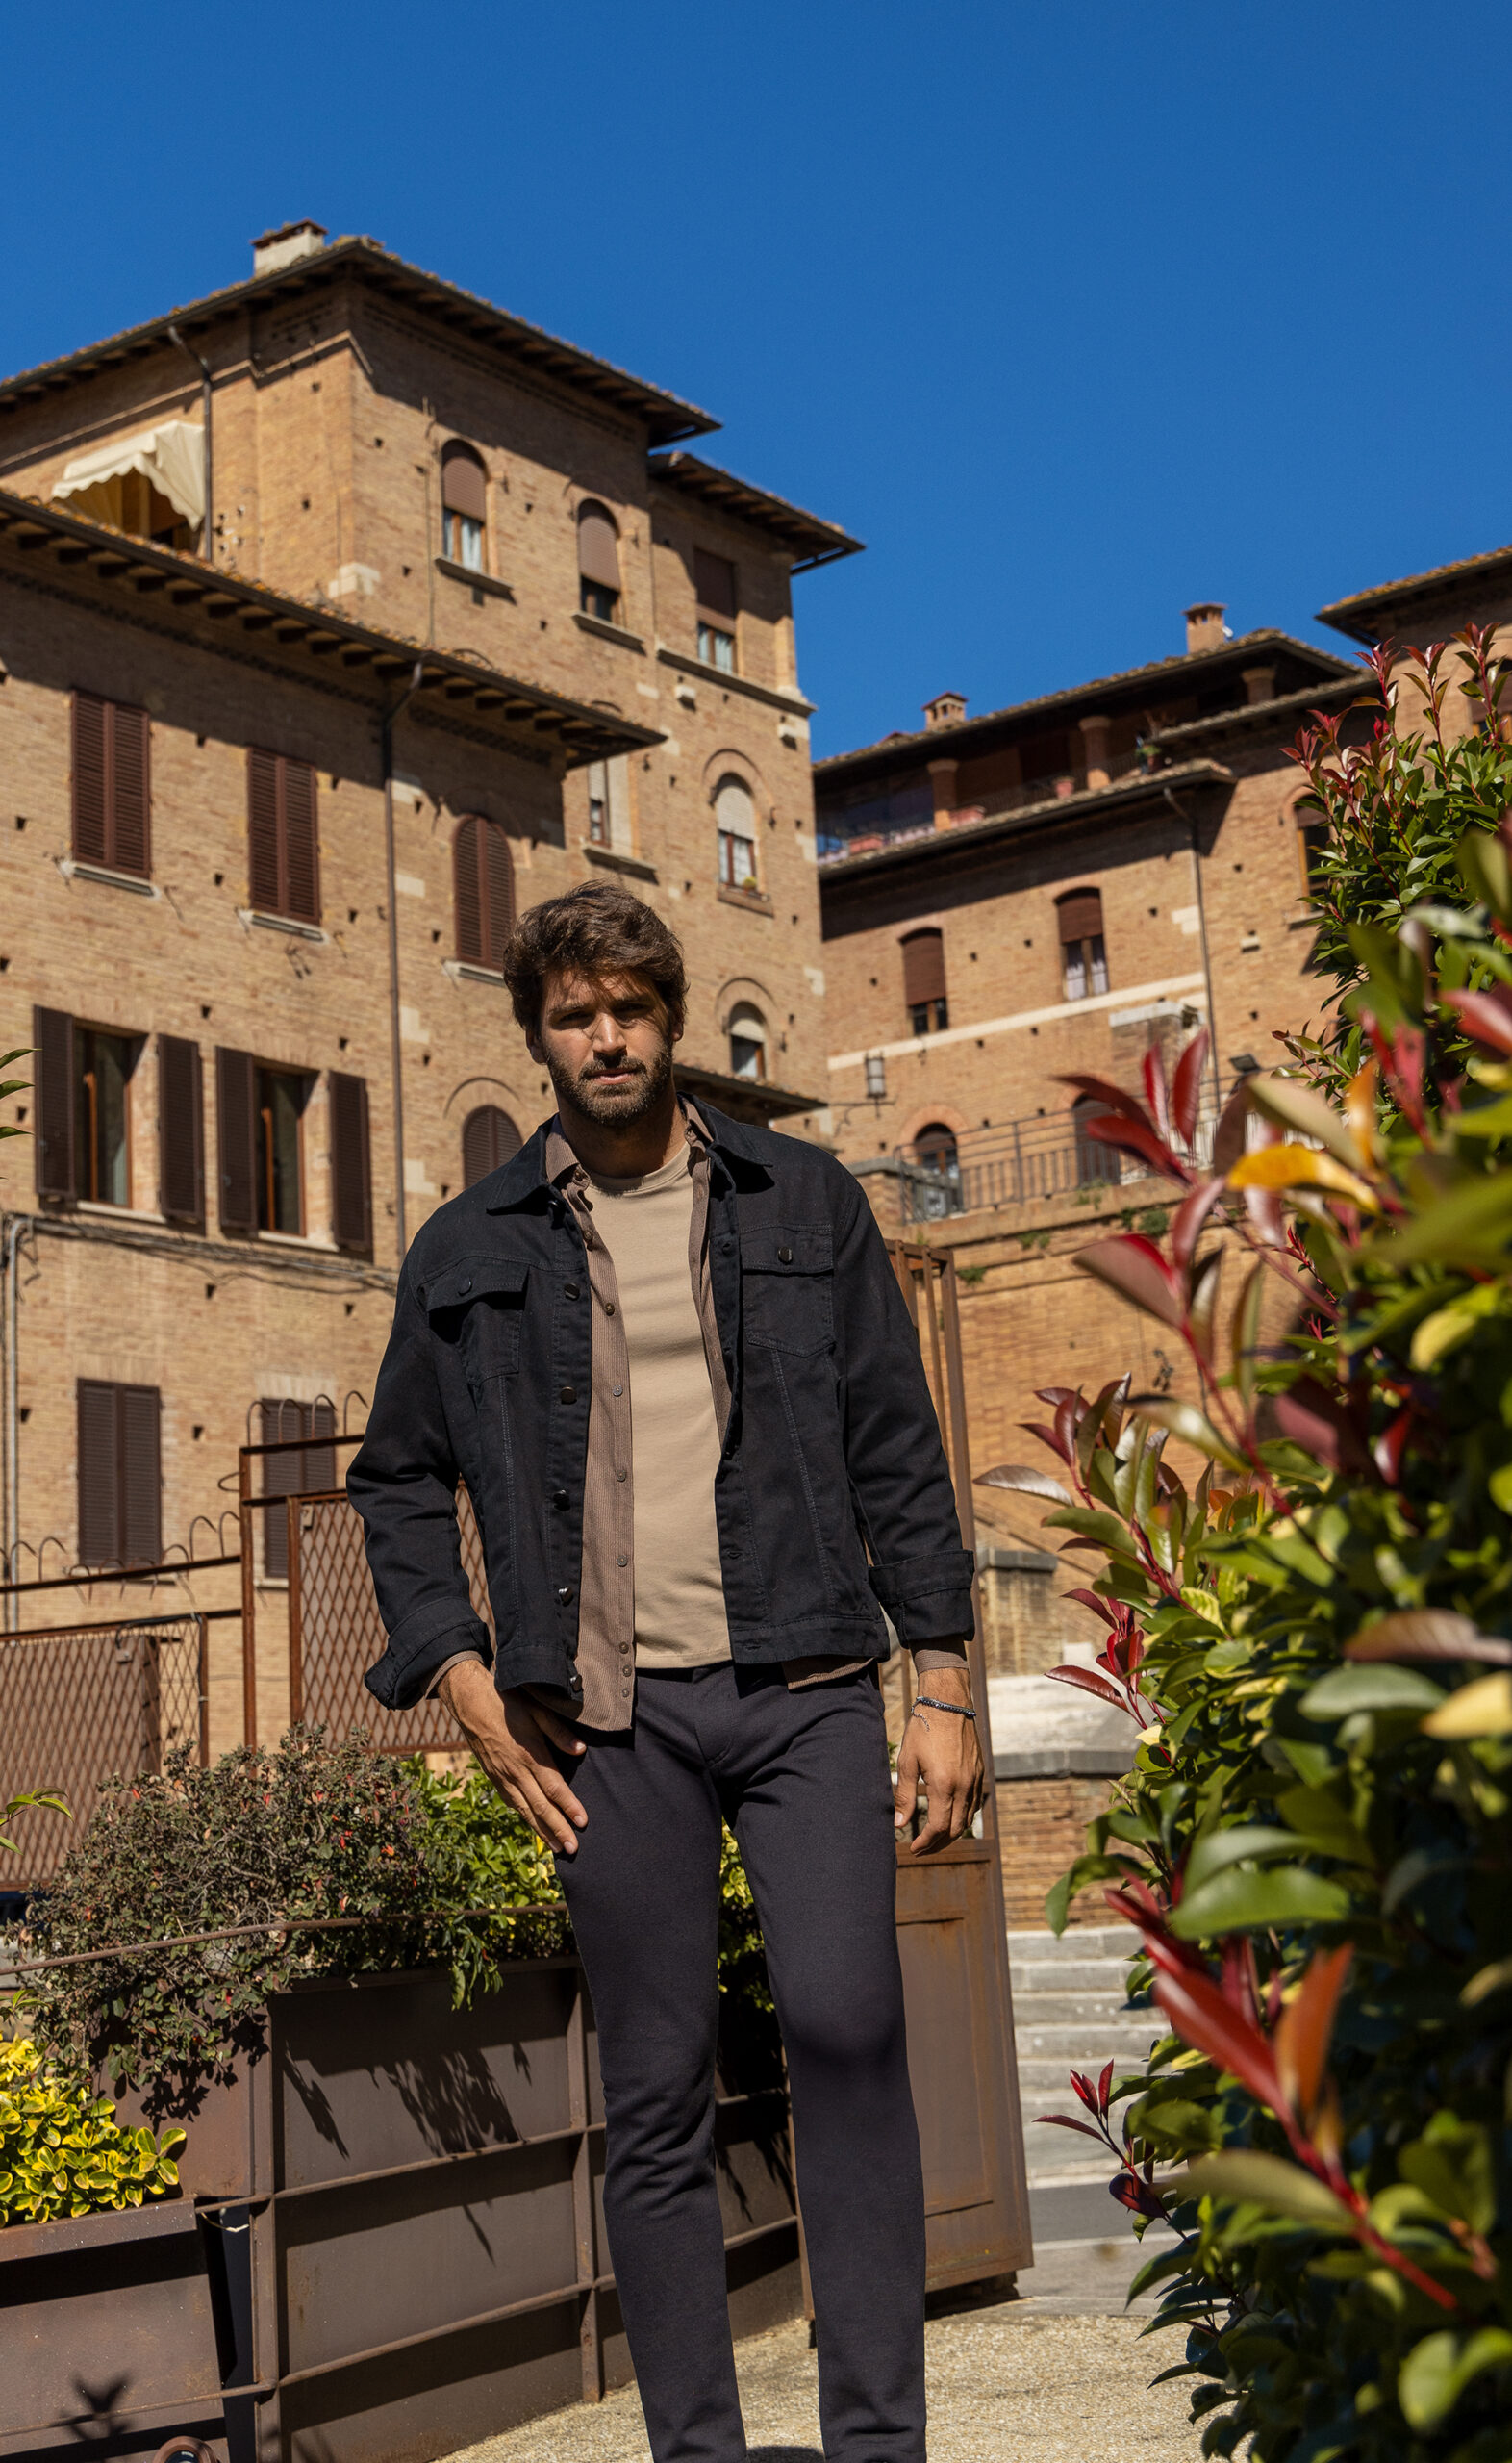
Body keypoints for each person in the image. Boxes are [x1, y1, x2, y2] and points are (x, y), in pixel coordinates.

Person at [348, 880, 984, 2463]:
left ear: (671, 1018)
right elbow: (396, 1478)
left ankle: (878, 2443)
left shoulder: (803, 1199)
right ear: (540, 1036)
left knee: (849, 2033)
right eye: (575, 1016)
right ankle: (698, 2450)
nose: (607, 1037)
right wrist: (461, 1678)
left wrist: (946, 1681)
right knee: (653, 2087)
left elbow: (897, 1444)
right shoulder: (468, 1244)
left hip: (805, 1685)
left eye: (630, 1008)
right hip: (599, 1724)